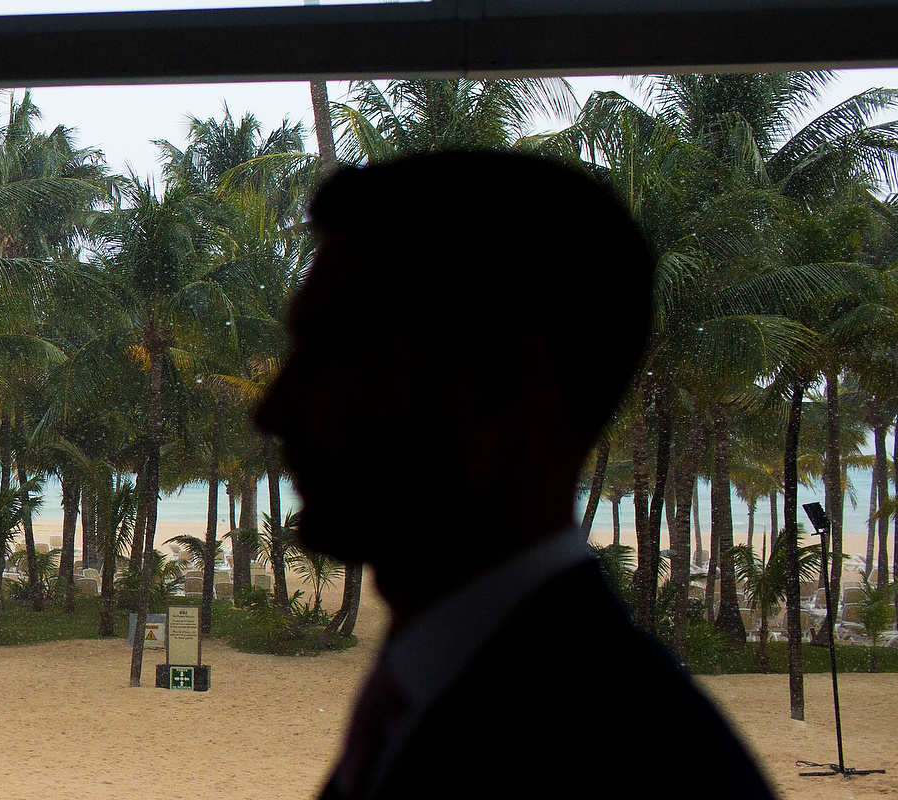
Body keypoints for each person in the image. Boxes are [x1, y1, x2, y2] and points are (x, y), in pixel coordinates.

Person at [253, 151, 774, 800]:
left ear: (498, 389)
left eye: (334, 358)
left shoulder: (632, 763)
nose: (269, 410)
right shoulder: (462, 689)